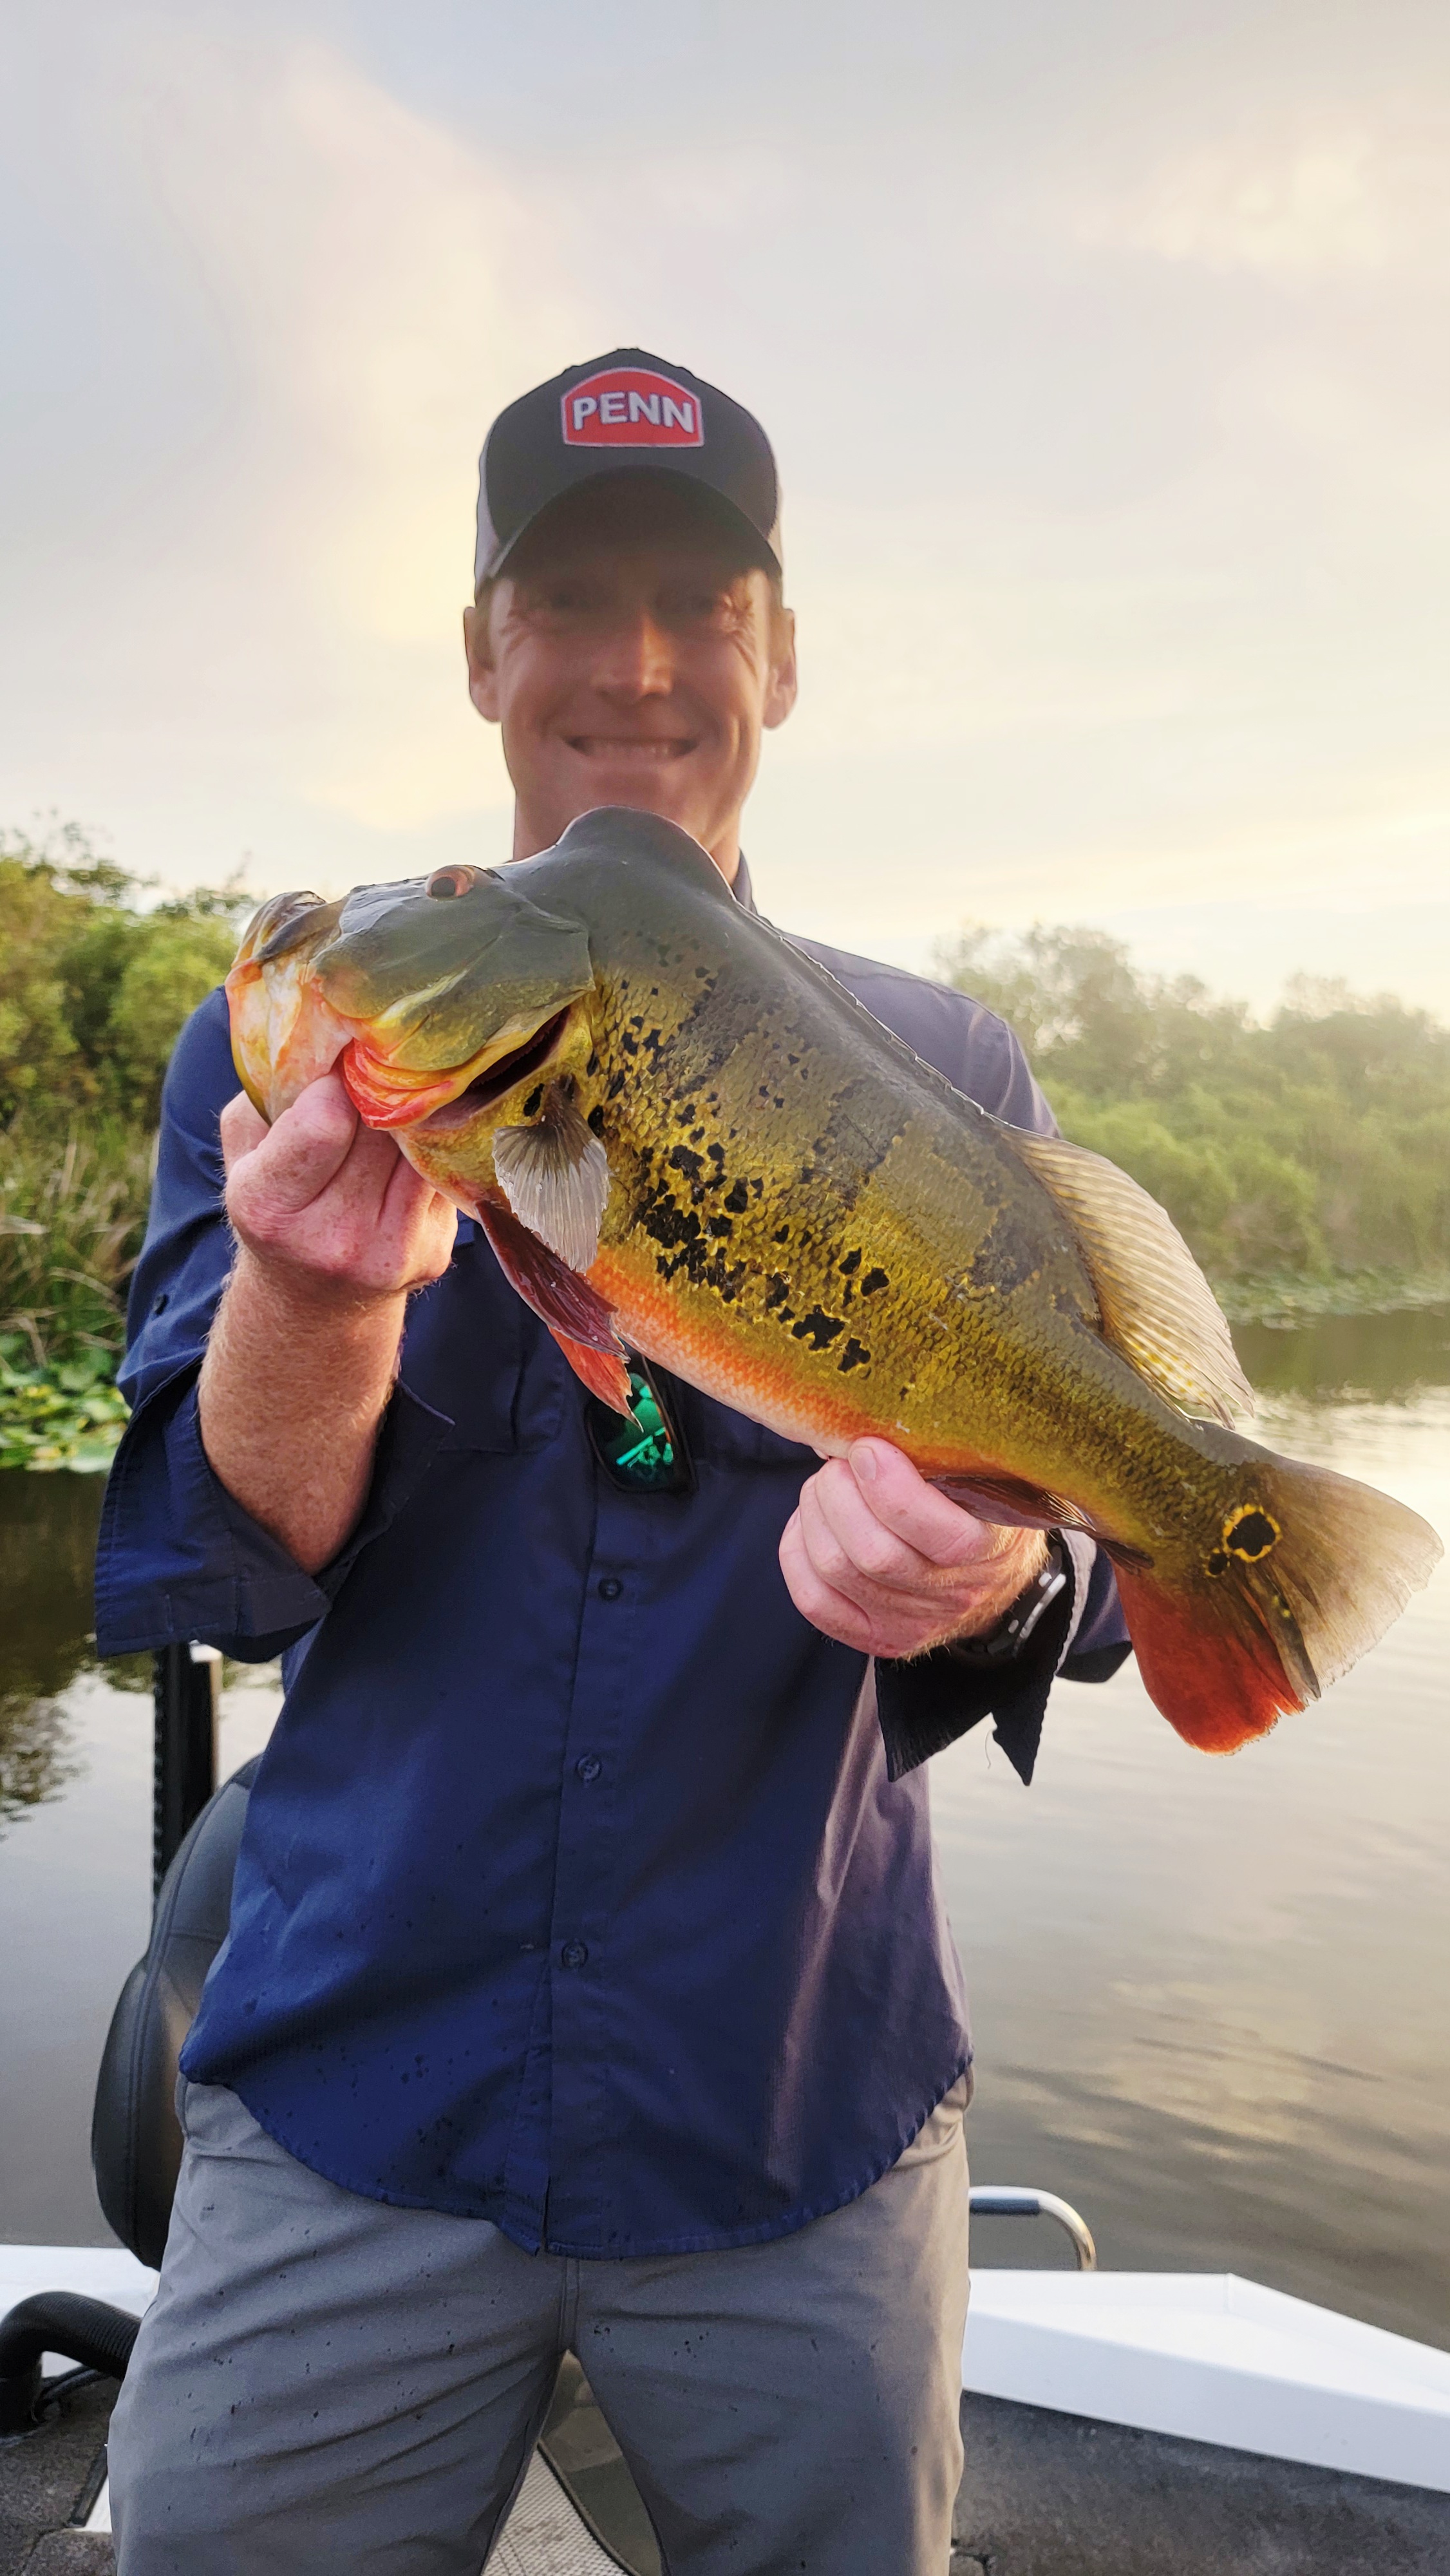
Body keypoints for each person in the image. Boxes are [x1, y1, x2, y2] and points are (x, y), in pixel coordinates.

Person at [99, 349, 1128, 2575]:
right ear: (484, 648)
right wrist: (319, 1293)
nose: (639, 663)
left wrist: (1001, 1583)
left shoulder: (939, 1056)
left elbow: (1094, 1564)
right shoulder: (311, 1025)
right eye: (571, 600)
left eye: (698, 599)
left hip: (792, 2105)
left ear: (779, 649)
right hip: (356, 2077)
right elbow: (225, 1553)